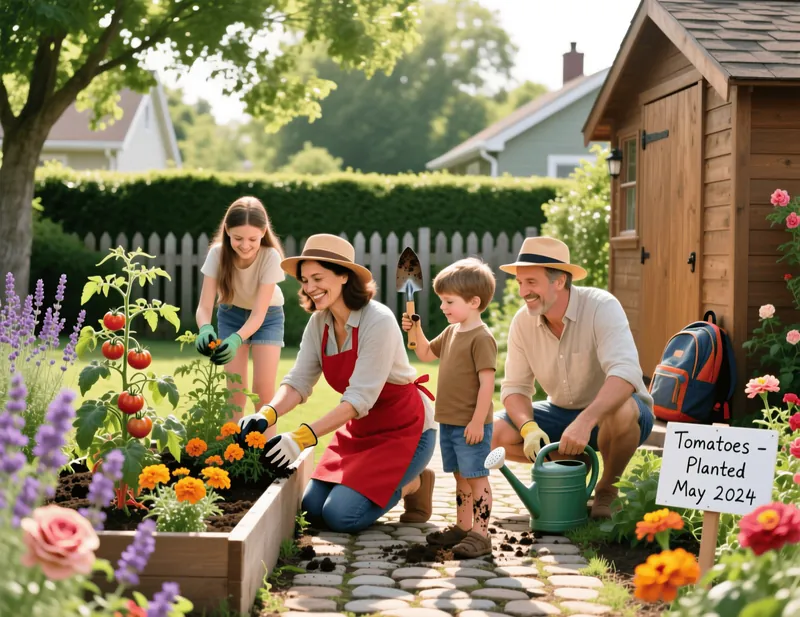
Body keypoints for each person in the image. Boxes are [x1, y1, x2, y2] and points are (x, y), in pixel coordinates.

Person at [236, 234, 437, 533]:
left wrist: (301, 438)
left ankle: (414, 483)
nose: (310, 288)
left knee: (342, 517)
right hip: (361, 430)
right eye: (304, 280)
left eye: (318, 277)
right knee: (313, 510)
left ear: (344, 276)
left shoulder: (378, 320)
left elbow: (359, 399)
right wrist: (266, 414)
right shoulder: (319, 324)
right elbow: (298, 382)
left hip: (405, 430)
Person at [490, 236, 654, 519]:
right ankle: (572, 467)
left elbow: (625, 374)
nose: (522, 292)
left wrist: (585, 421)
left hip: (617, 415)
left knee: (622, 409)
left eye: (531, 282)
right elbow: (516, 387)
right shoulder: (522, 321)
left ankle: (607, 489)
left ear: (559, 281)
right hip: (560, 413)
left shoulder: (601, 306)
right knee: (493, 433)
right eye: (520, 283)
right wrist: (528, 428)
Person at [401, 258, 497, 558]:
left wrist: (478, 422)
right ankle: (462, 527)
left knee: (476, 475)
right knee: (459, 475)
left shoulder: (481, 338)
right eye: (442, 300)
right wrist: (414, 330)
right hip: (450, 421)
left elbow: (487, 385)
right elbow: (427, 354)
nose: (443, 307)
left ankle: (481, 535)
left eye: (449, 301)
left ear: (474, 302)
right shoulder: (453, 331)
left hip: (471, 424)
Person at [195, 196, 286, 430]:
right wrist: (205, 328)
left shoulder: (270, 257)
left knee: (263, 392)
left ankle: (264, 455)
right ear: (227, 231)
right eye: (238, 238)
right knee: (234, 391)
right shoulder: (217, 254)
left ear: (264, 232)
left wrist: (236, 339)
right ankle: (230, 453)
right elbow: (204, 307)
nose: (245, 245)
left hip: (268, 318)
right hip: (231, 314)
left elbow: (258, 315)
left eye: (253, 239)